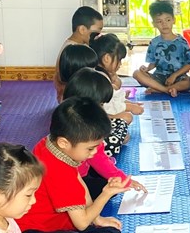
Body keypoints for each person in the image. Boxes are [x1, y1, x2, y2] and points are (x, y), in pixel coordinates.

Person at [16, 97, 125, 233]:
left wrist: (97, 219)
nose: (95, 153)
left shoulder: (49, 143)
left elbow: (79, 183)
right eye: (90, 149)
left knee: (107, 227)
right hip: (32, 231)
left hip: (55, 218)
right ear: (64, 143)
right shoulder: (60, 173)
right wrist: (106, 194)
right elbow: (81, 223)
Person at [63, 69, 147, 200]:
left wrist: (120, 177)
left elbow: (97, 155)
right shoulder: (85, 130)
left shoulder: (71, 118)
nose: (103, 109)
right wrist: (124, 180)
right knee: (110, 187)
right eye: (101, 104)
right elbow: (98, 157)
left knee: (109, 177)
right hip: (71, 181)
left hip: (81, 169)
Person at [134, 0, 190, 96]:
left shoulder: (181, 42)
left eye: (168, 20)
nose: (164, 24)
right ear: (154, 24)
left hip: (178, 78)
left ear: (174, 20)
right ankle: (166, 90)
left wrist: (174, 75)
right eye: (159, 21)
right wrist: (146, 69)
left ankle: (159, 89)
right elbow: (153, 62)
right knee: (137, 73)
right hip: (159, 77)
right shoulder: (154, 42)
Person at [53, 6, 103, 101]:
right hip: (73, 100)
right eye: (97, 31)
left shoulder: (80, 45)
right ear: (82, 29)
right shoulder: (72, 50)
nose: (99, 34)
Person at [90, 32, 142, 122]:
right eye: (119, 60)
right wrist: (130, 107)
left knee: (114, 86)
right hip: (94, 120)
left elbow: (111, 99)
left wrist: (129, 103)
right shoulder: (101, 79)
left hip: (97, 113)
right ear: (107, 58)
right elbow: (109, 107)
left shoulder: (99, 73)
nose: (120, 64)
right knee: (127, 117)